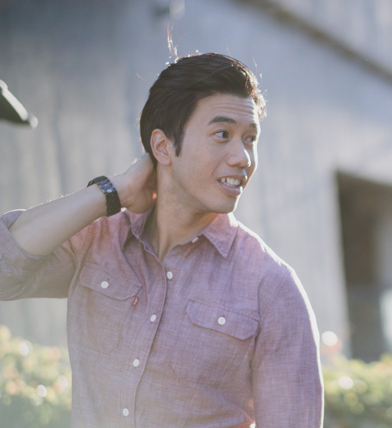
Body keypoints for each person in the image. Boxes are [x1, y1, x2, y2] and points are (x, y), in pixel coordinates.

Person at [0, 53, 323, 427]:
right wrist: (114, 190)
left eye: (250, 139)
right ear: (163, 146)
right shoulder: (97, 241)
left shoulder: (273, 288)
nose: (243, 158)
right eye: (222, 135)